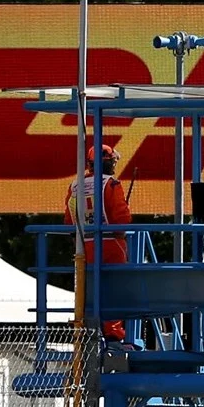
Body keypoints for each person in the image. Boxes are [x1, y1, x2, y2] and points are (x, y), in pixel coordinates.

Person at [66, 143, 132, 342]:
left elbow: (69, 220)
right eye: (112, 161)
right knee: (115, 288)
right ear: (106, 162)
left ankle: (89, 328)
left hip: (84, 245)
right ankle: (113, 333)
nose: (114, 165)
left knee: (89, 289)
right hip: (112, 244)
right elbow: (122, 220)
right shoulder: (111, 184)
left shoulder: (74, 185)